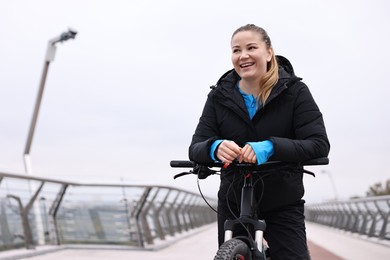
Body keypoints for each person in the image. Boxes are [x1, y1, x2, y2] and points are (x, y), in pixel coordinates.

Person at [188, 24, 330, 259]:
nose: (242, 55)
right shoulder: (218, 96)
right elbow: (196, 146)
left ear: (269, 52)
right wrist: (214, 148)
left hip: (282, 200)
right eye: (236, 50)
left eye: (251, 47)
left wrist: (270, 147)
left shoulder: (295, 92)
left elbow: (318, 143)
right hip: (233, 200)